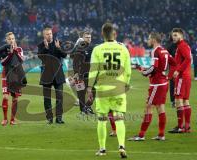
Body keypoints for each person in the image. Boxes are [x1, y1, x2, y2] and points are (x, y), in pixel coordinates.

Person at [87, 23, 131, 158]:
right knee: (119, 119)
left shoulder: (98, 49)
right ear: (115, 34)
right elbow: (128, 71)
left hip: (103, 89)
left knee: (101, 120)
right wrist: (126, 84)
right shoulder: (123, 49)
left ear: (102, 35)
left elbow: (93, 71)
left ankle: (102, 149)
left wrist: (89, 87)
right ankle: (122, 147)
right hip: (118, 88)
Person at [128, 32, 176, 141]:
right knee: (160, 108)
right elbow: (173, 63)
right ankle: (161, 135)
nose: (147, 41)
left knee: (148, 107)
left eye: (149, 39)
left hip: (157, 84)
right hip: (163, 83)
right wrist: (168, 76)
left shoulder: (155, 51)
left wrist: (144, 72)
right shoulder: (164, 50)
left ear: (154, 40)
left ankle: (141, 135)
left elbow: (154, 68)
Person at [0, 32, 26, 126]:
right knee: (5, 96)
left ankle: (12, 120)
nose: (11, 40)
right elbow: (2, 62)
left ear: (15, 39)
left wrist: (14, 51)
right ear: (6, 40)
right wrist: (10, 54)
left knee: (15, 99)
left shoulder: (19, 49)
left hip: (16, 75)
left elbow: (22, 60)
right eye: (9, 39)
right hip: (6, 74)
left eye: (13, 38)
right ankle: (5, 119)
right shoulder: (4, 50)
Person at [37, 27, 67, 124]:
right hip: (46, 75)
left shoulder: (58, 43)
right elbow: (41, 57)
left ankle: (59, 118)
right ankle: (49, 119)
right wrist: (45, 48)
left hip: (58, 74)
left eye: (50, 33)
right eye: (47, 34)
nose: (49, 35)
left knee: (59, 97)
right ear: (44, 35)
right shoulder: (41, 45)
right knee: (47, 98)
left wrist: (58, 48)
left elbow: (65, 55)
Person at [169, 28, 192, 133]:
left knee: (178, 99)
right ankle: (186, 126)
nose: (173, 37)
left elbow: (188, 59)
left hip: (182, 77)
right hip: (187, 76)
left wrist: (178, 71)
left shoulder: (182, 46)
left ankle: (180, 126)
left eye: (175, 35)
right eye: (173, 35)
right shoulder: (184, 45)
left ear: (181, 36)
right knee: (185, 100)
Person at [72, 31, 95, 114]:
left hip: (92, 74)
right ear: (83, 38)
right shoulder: (79, 48)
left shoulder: (93, 48)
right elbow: (75, 62)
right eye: (86, 37)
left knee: (94, 91)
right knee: (81, 93)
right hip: (81, 74)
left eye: (89, 37)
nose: (88, 39)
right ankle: (82, 110)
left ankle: (88, 106)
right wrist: (76, 73)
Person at [166, 34, 177, 107]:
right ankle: (174, 101)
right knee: (174, 84)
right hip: (173, 68)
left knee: (173, 84)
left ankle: (174, 101)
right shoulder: (171, 46)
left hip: (175, 68)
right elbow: (166, 57)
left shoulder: (170, 46)